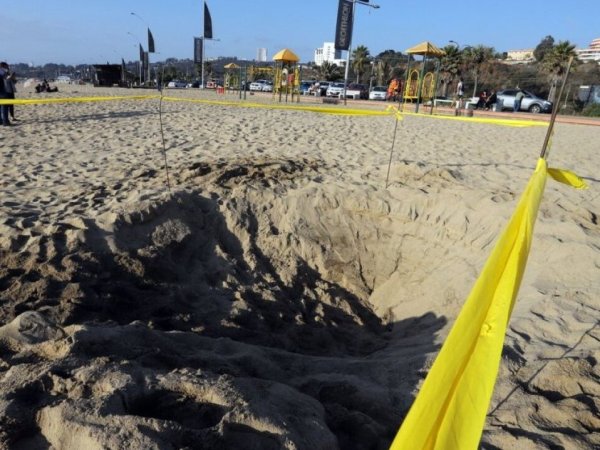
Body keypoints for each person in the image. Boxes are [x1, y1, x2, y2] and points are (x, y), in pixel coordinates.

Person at [0, 62, 11, 126]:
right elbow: (6, 77)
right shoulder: (2, 71)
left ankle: (0, 121)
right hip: (2, 91)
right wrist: (7, 72)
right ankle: (5, 121)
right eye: (7, 66)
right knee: (4, 107)